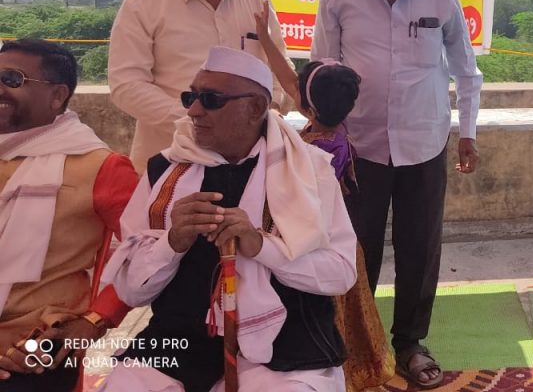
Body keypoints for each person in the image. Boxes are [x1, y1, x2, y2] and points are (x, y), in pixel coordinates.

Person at [98, 47, 357, 392]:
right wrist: (171, 243)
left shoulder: (309, 171)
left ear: (255, 108)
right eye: (190, 97)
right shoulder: (163, 170)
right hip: (180, 343)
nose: (193, 110)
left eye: (211, 99)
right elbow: (131, 290)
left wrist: (262, 246)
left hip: (287, 348)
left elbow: (341, 273)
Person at [311, 0, 483, 389]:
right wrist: (324, 137)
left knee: (420, 248)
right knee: (355, 248)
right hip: (358, 149)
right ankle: (355, 345)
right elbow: (321, 69)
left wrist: (468, 133)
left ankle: (410, 343)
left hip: (424, 142)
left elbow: (466, 70)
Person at [255, 4, 395, 392]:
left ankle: (334, 375)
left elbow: (290, 84)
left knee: (327, 317)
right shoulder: (337, 127)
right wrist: (265, 38)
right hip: (342, 245)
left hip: (315, 246)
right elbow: (291, 81)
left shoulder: (314, 149)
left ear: (307, 104)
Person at [109, 0, 292, 173]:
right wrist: (197, 120)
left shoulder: (255, 1)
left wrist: (268, 111)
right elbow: (126, 85)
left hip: (249, 159)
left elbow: (277, 67)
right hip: (171, 159)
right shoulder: (142, 5)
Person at [0, 39, 136, 392]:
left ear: (57, 95)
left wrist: (94, 321)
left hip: (37, 343)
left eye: (11, 79)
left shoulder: (100, 167)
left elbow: (147, 254)